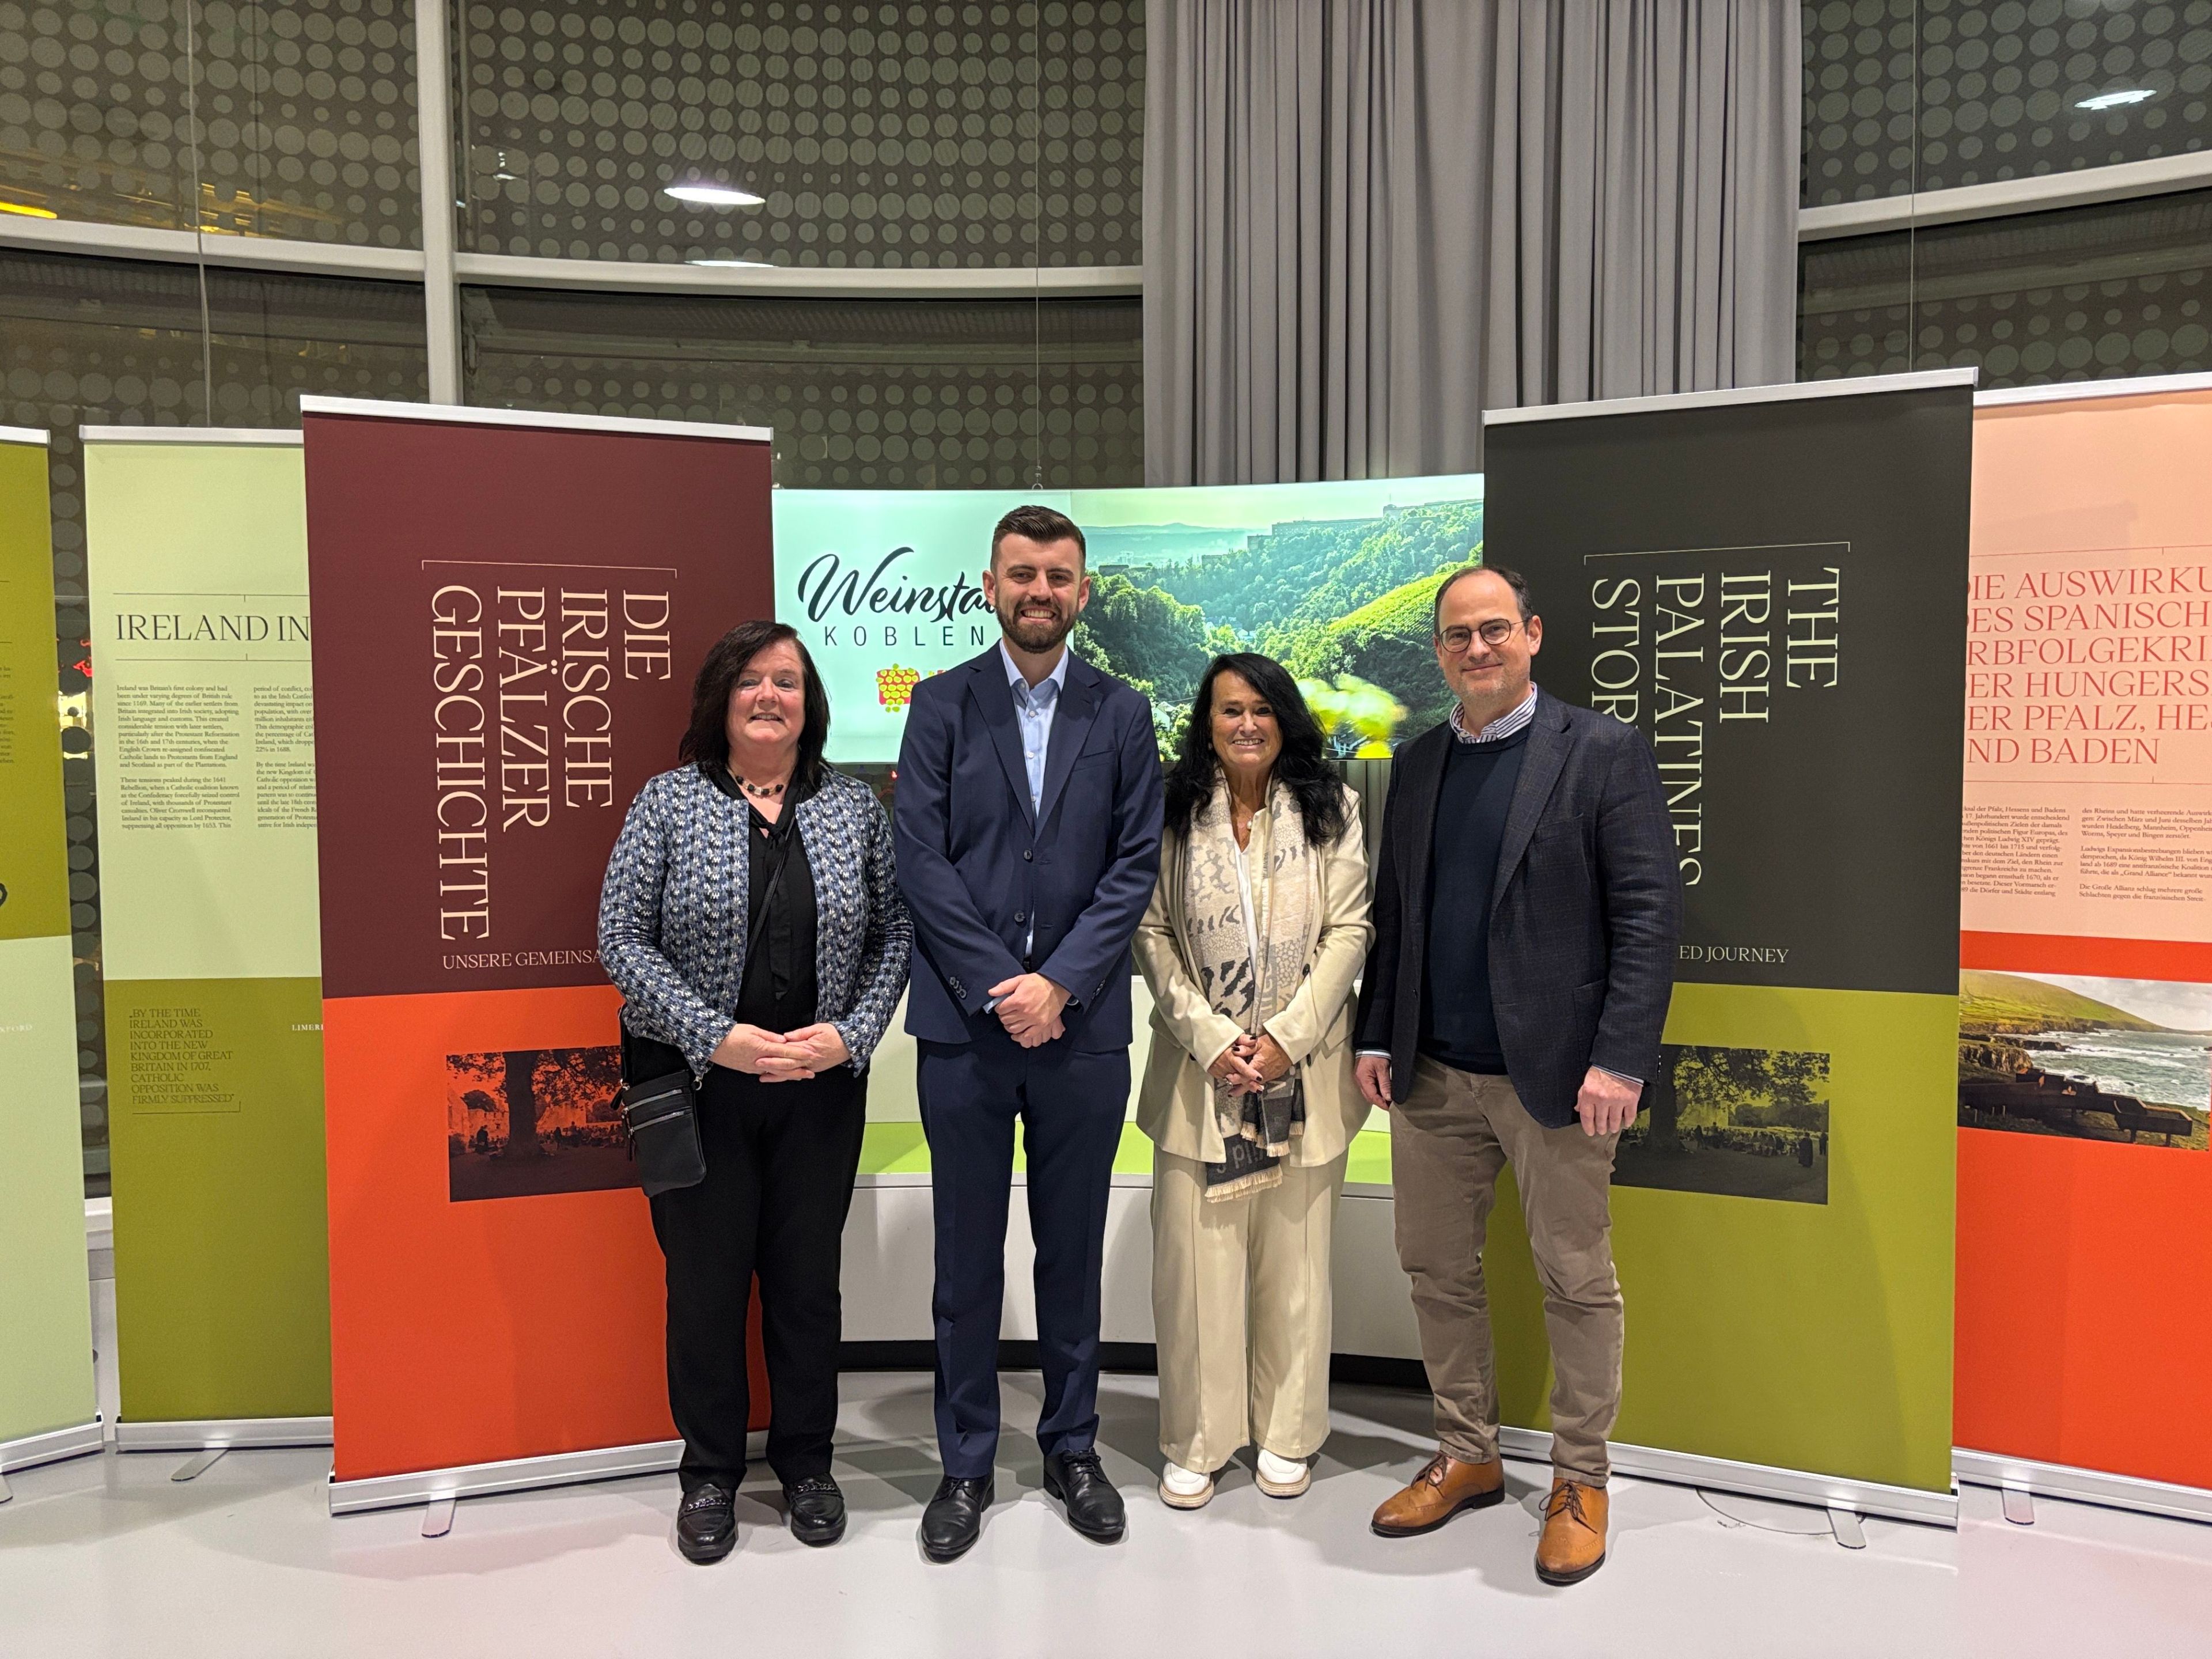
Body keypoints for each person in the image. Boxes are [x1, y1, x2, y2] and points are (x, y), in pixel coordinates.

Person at [1354, 565, 1679, 1586]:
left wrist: (1620, 1055)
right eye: (1458, 636)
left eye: (1496, 630)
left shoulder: (1604, 753)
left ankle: (1582, 1478)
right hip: (1432, 1075)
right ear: (1441, 651)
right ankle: (1469, 1453)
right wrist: (1376, 1035)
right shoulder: (1416, 764)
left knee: (1576, 1281)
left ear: (1533, 635)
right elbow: (1397, 916)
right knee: (1435, 1271)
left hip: (1557, 1079)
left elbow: (1649, 916)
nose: (1477, 649)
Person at [599, 620, 911, 1566]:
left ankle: (809, 1464)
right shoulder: (666, 803)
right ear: (720, 700)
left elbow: (893, 934)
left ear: (810, 703)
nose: (771, 695)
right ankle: (707, 1476)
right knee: (704, 1288)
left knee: (807, 1287)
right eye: (752, 681)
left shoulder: (853, 809)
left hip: (818, 1092)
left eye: (788, 681)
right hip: (700, 1093)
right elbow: (620, 938)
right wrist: (716, 1037)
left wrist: (848, 1037)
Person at [893, 503, 1164, 1563]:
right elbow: (921, 859)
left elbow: (1132, 863)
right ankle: (965, 1464)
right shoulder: (942, 705)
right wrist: (1009, 983)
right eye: (1021, 574)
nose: (1039, 591)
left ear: (1082, 591)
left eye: (1057, 575)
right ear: (991, 586)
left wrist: (1061, 985)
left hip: (1083, 1032)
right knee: (964, 1260)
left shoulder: (1125, 712)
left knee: (1071, 1253)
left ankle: (1071, 1448)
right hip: (966, 1028)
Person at [1132, 654, 1372, 1511]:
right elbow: (1151, 933)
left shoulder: (1331, 808)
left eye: (1262, 710)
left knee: (1297, 1269)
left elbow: (1351, 929)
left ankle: (1288, 1433)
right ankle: (1196, 1440)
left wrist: (1285, 1039)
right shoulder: (1169, 810)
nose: (1245, 724)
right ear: (1206, 721)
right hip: (1201, 1082)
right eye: (1229, 709)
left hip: (1301, 1078)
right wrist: (1212, 1038)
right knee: (1195, 1271)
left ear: (1286, 720)